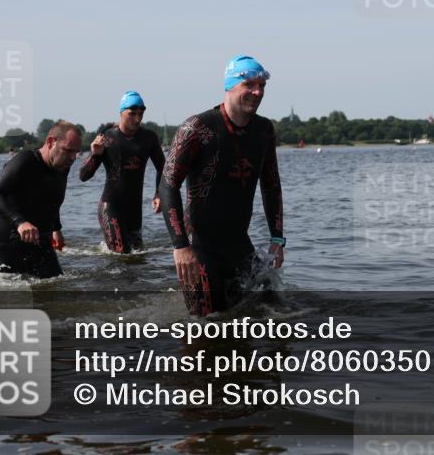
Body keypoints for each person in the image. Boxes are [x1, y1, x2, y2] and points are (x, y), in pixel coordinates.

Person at [159, 55, 284, 316]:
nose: (257, 92)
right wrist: (180, 246)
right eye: (249, 85)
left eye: (262, 86)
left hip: (239, 245)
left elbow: (271, 184)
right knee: (205, 333)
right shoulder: (197, 128)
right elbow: (168, 186)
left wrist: (277, 238)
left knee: (265, 317)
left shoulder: (264, 130)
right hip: (199, 248)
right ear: (229, 86)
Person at [0, 121, 82, 277]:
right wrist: (20, 222)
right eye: (68, 150)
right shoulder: (25, 161)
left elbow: (53, 199)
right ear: (51, 142)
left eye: (76, 152)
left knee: (58, 291)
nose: (73, 158)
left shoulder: (62, 166)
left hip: (42, 243)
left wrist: (57, 229)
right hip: (8, 244)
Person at [80, 91, 165, 253]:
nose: (137, 118)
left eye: (141, 113)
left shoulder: (149, 137)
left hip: (135, 209)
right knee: (123, 254)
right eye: (132, 113)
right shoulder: (107, 137)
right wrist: (94, 155)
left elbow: (163, 167)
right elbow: (83, 176)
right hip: (111, 205)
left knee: (137, 258)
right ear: (121, 113)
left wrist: (159, 193)